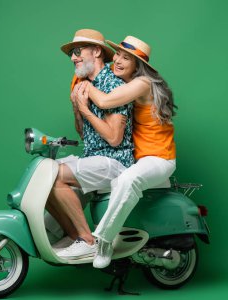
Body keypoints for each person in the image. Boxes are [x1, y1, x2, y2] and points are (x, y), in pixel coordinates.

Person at [75, 36, 177, 268]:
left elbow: (105, 102)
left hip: (158, 158)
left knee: (127, 180)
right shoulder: (123, 81)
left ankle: (104, 241)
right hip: (137, 157)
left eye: (126, 58)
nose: (118, 61)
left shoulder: (142, 84)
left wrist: (85, 84)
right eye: (118, 55)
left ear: (138, 65)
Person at [45, 29, 134, 259]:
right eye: (71, 54)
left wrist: (85, 109)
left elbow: (114, 138)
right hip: (93, 156)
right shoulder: (84, 84)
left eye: (77, 51)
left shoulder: (113, 84)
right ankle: (74, 236)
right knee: (44, 175)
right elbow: (86, 135)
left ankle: (87, 240)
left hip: (116, 160)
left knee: (55, 176)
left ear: (96, 51)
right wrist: (77, 110)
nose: (73, 58)